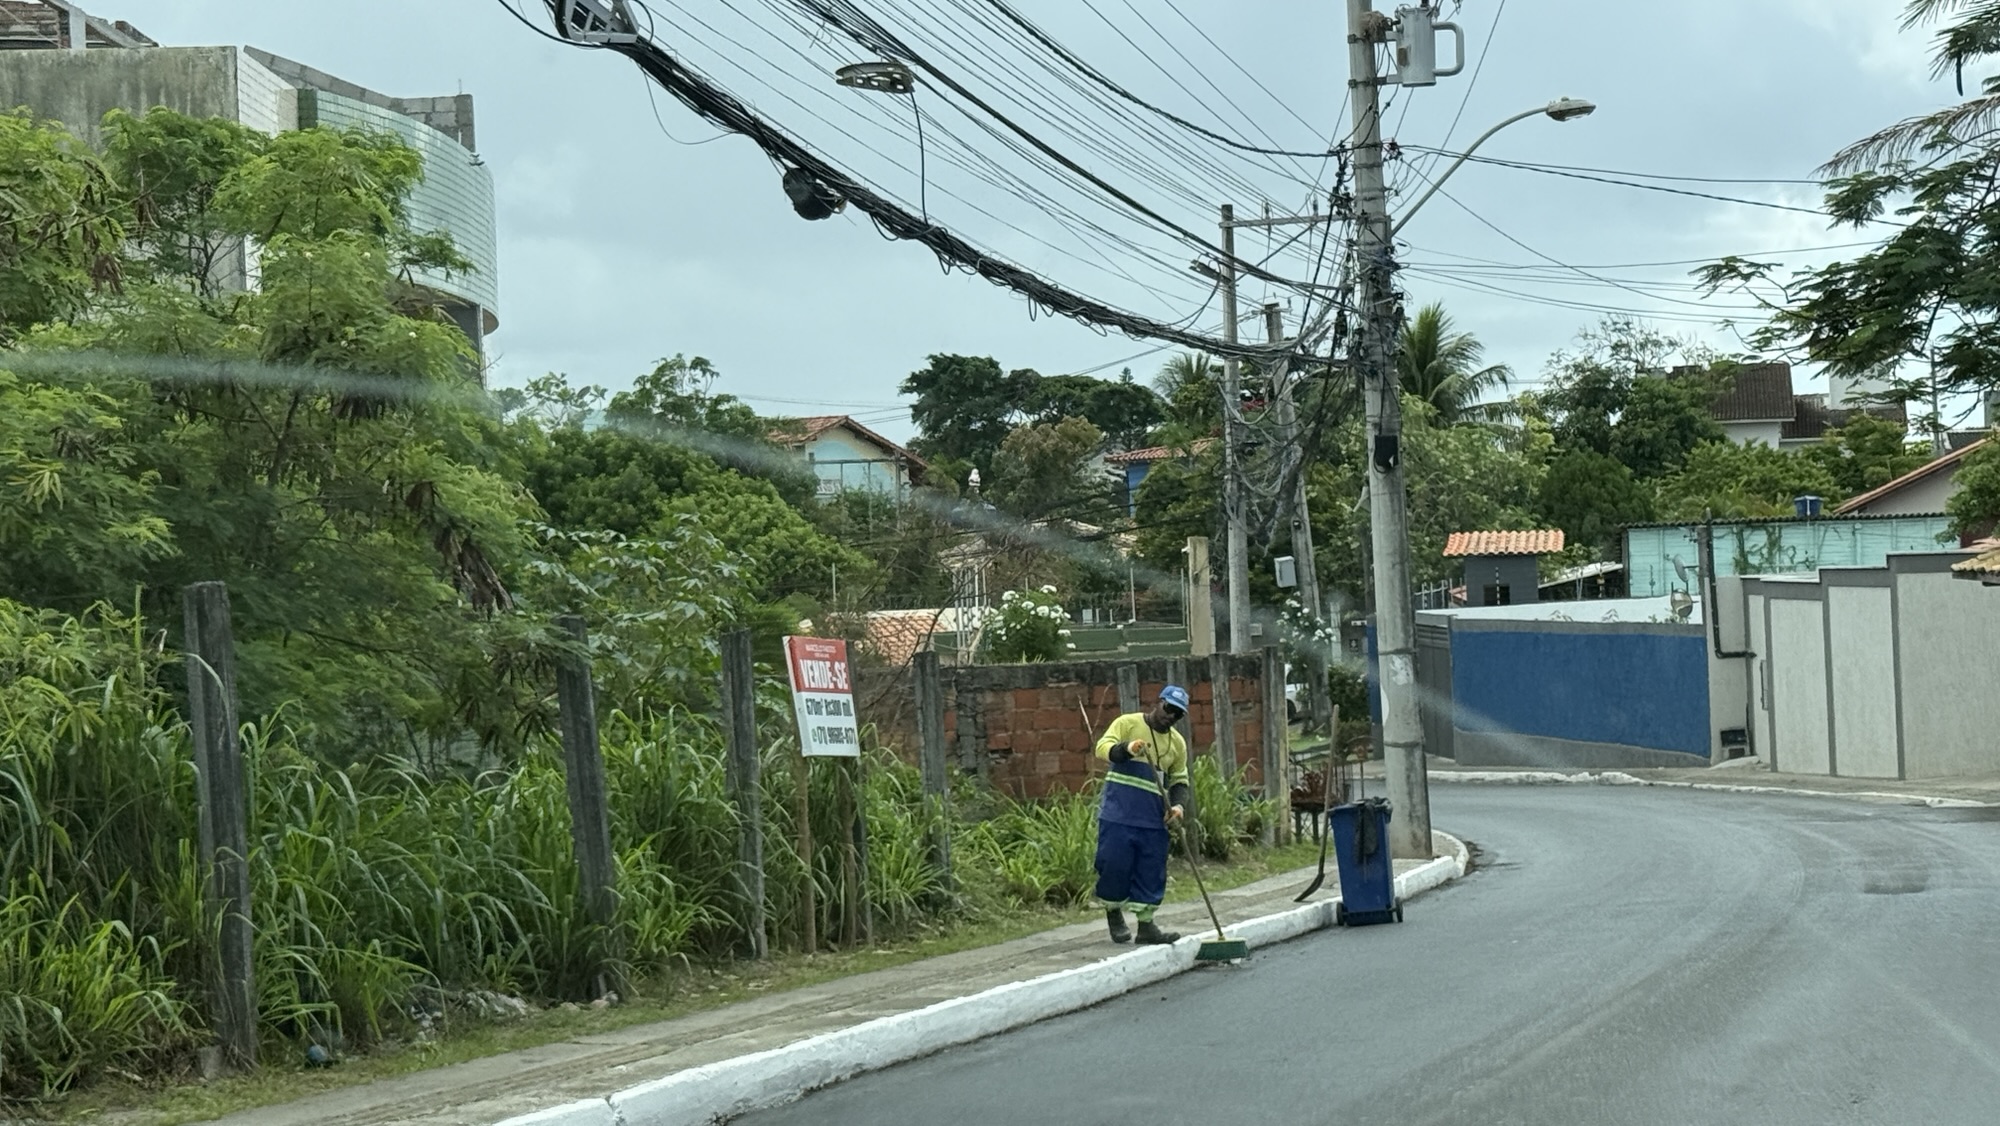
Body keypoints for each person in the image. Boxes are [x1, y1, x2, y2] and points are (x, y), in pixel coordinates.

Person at [1093, 685, 1191, 945]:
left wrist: (1178, 807)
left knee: (1151, 869)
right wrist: (1127, 748)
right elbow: (1103, 747)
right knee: (1114, 864)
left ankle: (1146, 925)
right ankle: (1114, 913)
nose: (1171, 716)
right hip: (1119, 812)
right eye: (1169, 708)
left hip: (1152, 817)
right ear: (1158, 702)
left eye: (1178, 714)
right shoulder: (1127, 723)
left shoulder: (1177, 743)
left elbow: (1180, 781)